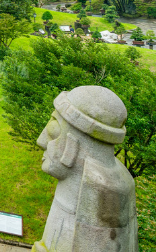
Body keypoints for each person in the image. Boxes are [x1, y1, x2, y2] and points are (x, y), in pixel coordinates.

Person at [32, 86, 138, 252]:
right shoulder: (123, 181)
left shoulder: (105, 194)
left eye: (54, 129)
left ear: (73, 147)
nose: (41, 141)